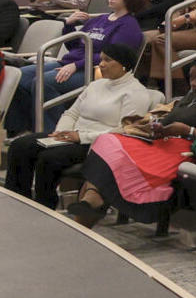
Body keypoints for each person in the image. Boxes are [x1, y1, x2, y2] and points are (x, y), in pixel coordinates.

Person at [67, 55, 196, 228]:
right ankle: (92, 199)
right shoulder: (191, 97)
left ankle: (91, 202)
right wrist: (159, 127)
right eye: (191, 78)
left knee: (110, 165)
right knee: (106, 142)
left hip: (184, 152)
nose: (194, 83)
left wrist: (188, 130)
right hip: (161, 143)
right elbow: (170, 120)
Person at [6, 42, 150, 208]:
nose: (101, 64)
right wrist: (61, 132)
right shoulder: (96, 85)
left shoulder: (136, 93)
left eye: (108, 60)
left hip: (98, 144)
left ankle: (44, 206)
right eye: (101, 59)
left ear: (124, 65)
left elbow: (124, 131)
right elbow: (72, 113)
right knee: (19, 146)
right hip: (73, 135)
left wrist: (81, 137)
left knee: (48, 159)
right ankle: (18, 202)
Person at [4, 0, 145, 135]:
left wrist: (76, 65)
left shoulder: (129, 26)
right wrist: (69, 25)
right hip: (70, 63)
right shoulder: (100, 19)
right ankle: (19, 128)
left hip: (94, 70)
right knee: (18, 76)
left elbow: (112, 57)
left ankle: (53, 131)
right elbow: (74, 46)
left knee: (44, 82)